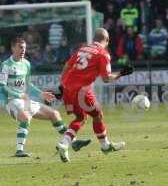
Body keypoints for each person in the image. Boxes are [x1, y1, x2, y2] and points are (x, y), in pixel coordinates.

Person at [0, 36, 90, 157]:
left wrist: (41, 93)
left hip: (25, 100)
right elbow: (1, 87)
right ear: (13, 47)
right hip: (12, 101)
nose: (23, 50)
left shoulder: (26, 64)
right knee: (25, 117)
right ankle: (19, 150)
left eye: (24, 48)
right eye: (20, 47)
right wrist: (18, 94)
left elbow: (28, 84)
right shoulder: (6, 65)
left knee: (54, 114)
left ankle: (73, 142)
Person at [56, 28, 134, 163]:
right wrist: (121, 74)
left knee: (80, 117)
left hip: (67, 87)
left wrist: (61, 84)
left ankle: (64, 144)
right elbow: (106, 79)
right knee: (97, 115)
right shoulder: (103, 54)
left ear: (94, 38)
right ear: (107, 41)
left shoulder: (82, 49)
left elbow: (67, 66)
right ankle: (105, 146)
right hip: (82, 90)